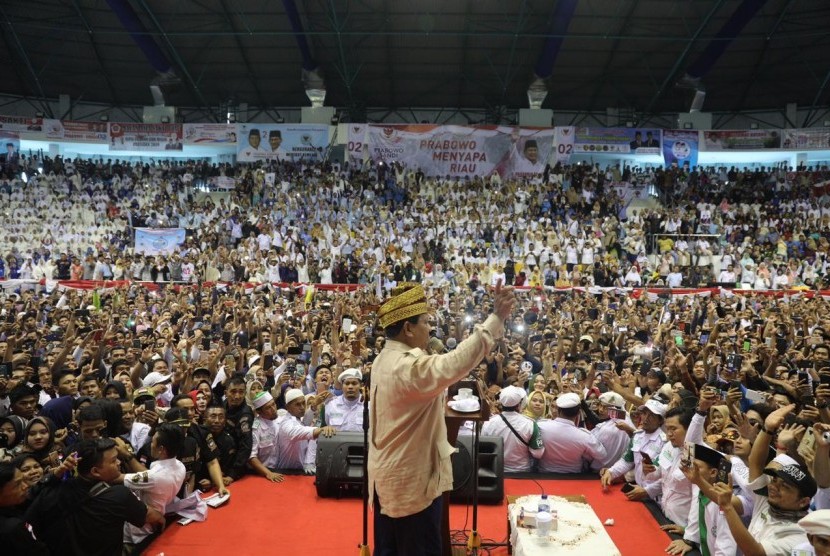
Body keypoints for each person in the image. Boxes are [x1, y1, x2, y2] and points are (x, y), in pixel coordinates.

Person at [368, 281, 514, 556]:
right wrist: (497, 317)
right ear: (408, 328)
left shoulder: (383, 359)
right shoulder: (407, 367)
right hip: (411, 487)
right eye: (425, 323)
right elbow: (456, 362)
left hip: (389, 481)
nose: (430, 329)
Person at [25, 438, 164, 556]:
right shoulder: (119, 496)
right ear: (95, 471)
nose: (119, 463)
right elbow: (154, 518)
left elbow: (29, 526)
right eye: (114, 460)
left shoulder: (50, 492)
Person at [123, 423, 186, 551]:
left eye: (152, 441)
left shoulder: (154, 476)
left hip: (140, 531)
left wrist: (124, 453)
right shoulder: (180, 466)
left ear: (161, 449)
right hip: (158, 521)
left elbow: (118, 478)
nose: (150, 444)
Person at [537, 392, 606, 473]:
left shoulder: (541, 426)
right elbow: (602, 455)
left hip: (544, 477)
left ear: (558, 410)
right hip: (573, 478)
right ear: (578, 413)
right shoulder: (584, 436)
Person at [481, 385, 544, 473]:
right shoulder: (530, 424)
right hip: (522, 472)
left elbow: (484, 449)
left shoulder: (488, 423)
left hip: (496, 471)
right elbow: (538, 454)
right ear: (519, 404)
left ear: (501, 402)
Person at [274, 388, 336, 474]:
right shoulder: (286, 423)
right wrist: (322, 429)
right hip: (286, 472)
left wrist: (314, 406)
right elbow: (298, 431)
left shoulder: (297, 419)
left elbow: (304, 423)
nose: (302, 407)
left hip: (299, 472)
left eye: (303, 403)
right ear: (288, 407)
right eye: (297, 404)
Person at [0, 461, 49, 554]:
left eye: (23, 480)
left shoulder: (13, 507)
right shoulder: (12, 528)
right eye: (18, 484)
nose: (25, 486)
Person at [248, 391, 284, 483]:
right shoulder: (256, 428)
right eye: (268, 407)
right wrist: (268, 473)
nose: (273, 409)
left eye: (273, 404)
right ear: (259, 411)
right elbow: (252, 457)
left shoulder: (281, 420)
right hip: (262, 473)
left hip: (280, 471)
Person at [321, 368, 365, 432]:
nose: (350, 387)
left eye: (354, 383)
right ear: (342, 386)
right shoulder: (331, 405)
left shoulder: (369, 405)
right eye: (347, 383)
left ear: (361, 385)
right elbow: (324, 426)